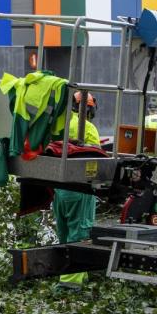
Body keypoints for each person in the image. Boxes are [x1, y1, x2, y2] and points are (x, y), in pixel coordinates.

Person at [54, 91, 99, 288]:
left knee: (64, 232)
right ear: (88, 109)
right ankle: (70, 283)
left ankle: (79, 273)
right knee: (80, 234)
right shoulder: (87, 128)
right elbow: (97, 158)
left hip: (59, 190)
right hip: (80, 189)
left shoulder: (60, 124)